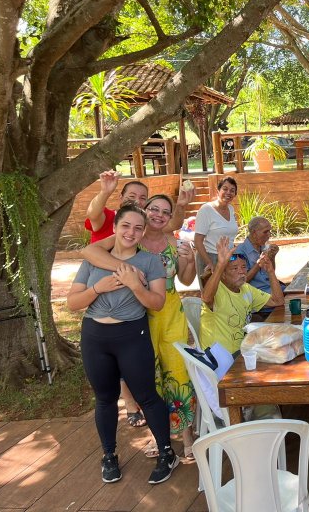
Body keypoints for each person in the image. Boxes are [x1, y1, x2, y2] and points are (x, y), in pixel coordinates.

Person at [67, 204, 179, 485]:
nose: (131, 232)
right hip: (95, 337)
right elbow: (72, 304)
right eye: (126, 225)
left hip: (132, 335)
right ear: (114, 228)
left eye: (138, 228)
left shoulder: (151, 262)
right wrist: (97, 289)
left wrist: (135, 285)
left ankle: (167, 452)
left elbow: (157, 303)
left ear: (143, 233)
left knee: (147, 395)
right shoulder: (93, 261)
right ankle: (109, 455)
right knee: (104, 398)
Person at [83, 195, 199, 460]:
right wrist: (130, 271)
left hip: (169, 314)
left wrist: (190, 261)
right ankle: (160, 436)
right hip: (138, 316)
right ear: (144, 212)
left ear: (171, 218)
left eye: (165, 212)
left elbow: (185, 278)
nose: (158, 215)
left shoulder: (175, 242)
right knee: (149, 379)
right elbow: (89, 252)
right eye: (153, 209)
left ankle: (186, 434)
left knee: (178, 374)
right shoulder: (130, 240)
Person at [201, 236, 284, 354]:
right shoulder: (217, 290)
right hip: (221, 357)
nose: (241, 271)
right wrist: (220, 264)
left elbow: (278, 301)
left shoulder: (246, 288)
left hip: (242, 351)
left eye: (244, 267)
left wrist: (270, 271)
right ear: (223, 275)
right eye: (234, 268)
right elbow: (206, 298)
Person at [194, 177, 239, 282]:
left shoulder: (231, 209)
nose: (228, 192)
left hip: (228, 258)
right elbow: (198, 241)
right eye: (225, 189)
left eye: (232, 190)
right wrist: (209, 262)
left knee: (228, 294)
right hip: (210, 257)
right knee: (211, 295)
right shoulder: (206, 210)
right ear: (218, 191)